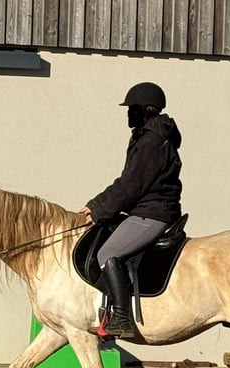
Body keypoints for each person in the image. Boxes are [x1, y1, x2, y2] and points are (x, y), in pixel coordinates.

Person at [79, 82, 183, 338]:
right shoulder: (149, 136)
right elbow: (125, 181)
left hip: (153, 212)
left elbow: (131, 186)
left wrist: (99, 212)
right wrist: (95, 204)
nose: (128, 114)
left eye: (131, 109)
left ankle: (122, 319)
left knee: (107, 253)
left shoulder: (152, 141)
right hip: (147, 208)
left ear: (144, 110)